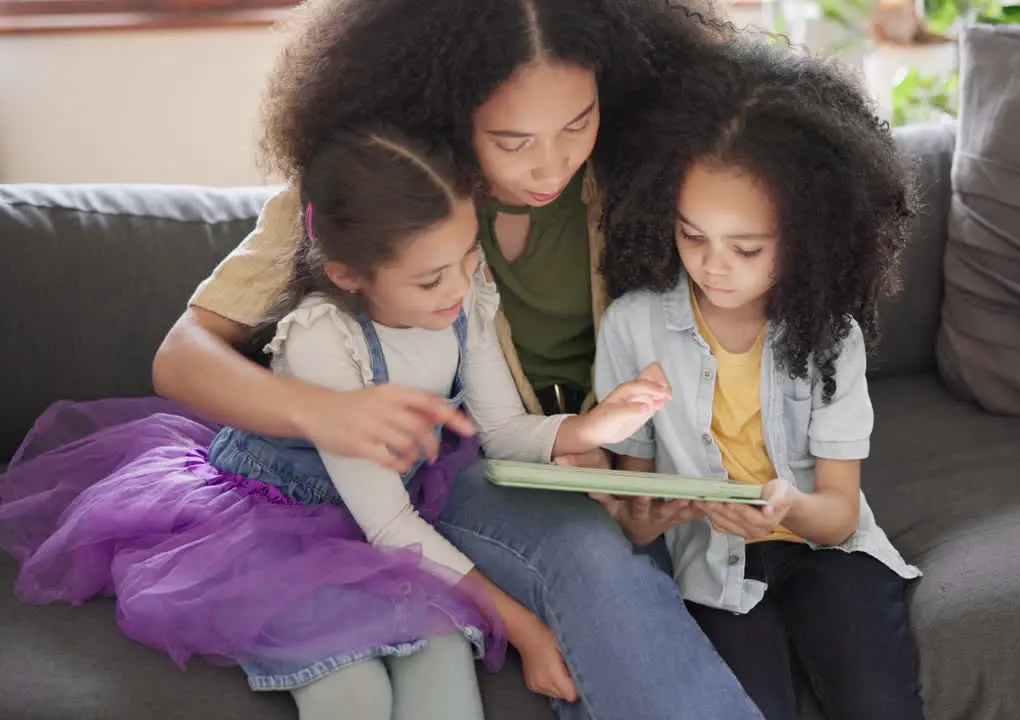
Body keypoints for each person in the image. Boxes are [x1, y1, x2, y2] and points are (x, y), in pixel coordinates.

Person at [148, 0, 764, 718]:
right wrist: (329, 414)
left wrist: (627, 466)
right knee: (588, 561)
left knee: (629, 565)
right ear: (445, 110)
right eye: (512, 140)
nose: (552, 164)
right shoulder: (379, 193)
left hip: (561, 456)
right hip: (439, 470)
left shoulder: (635, 176)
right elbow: (182, 356)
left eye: (578, 124)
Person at [0, 128, 670, 720]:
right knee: (353, 696)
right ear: (350, 274)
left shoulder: (467, 292)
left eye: (469, 255)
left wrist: (593, 428)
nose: (461, 287)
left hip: (379, 524)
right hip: (275, 531)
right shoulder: (321, 341)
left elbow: (503, 431)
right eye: (432, 278)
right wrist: (523, 629)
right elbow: (388, 524)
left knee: (442, 668)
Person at [592, 39, 927, 720]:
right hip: (709, 563)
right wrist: (643, 519)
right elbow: (636, 498)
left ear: (806, 237)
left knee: (879, 703)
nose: (714, 267)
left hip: (821, 547)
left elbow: (836, 516)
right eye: (692, 237)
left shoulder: (832, 337)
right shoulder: (633, 327)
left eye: (746, 248)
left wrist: (786, 507)